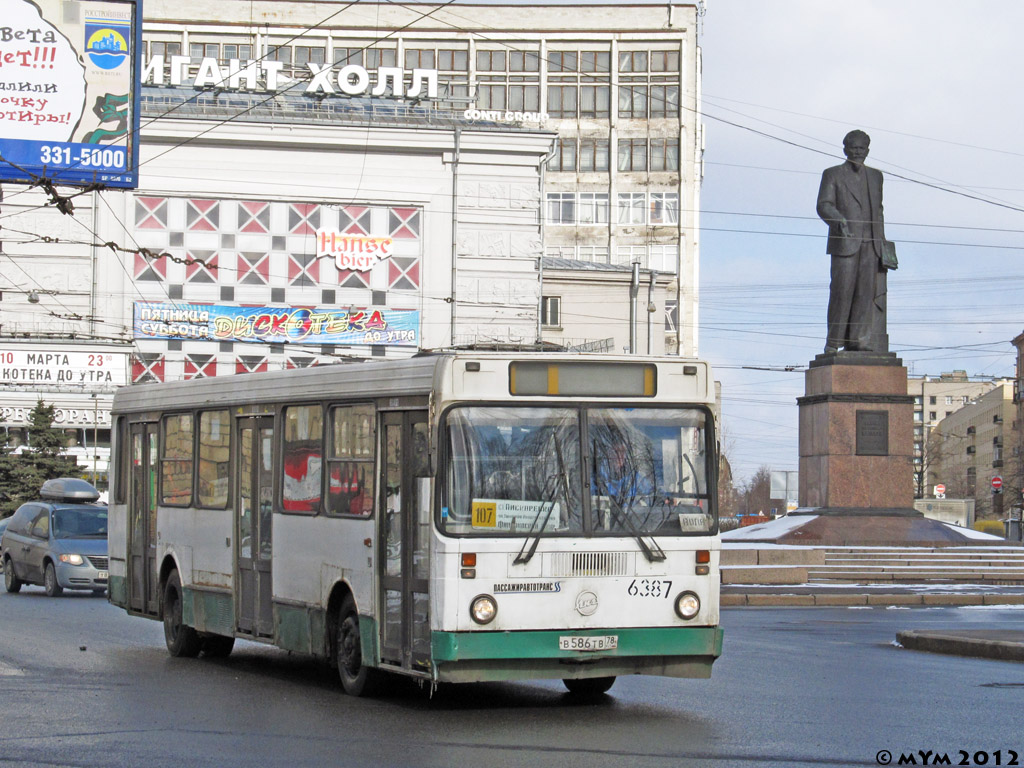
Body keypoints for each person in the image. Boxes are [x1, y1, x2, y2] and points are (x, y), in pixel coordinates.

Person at [816, 129, 891, 354]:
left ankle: (859, 339)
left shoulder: (876, 176)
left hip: (871, 244)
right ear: (845, 149)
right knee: (842, 292)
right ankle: (833, 341)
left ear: (868, 150)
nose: (858, 152)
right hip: (845, 243)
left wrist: (884, 245)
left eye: (862, 148)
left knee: (865, 294)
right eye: (854, 148)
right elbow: (823, 204)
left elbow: (878, 211)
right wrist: (838, 220)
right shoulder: (833, 174)